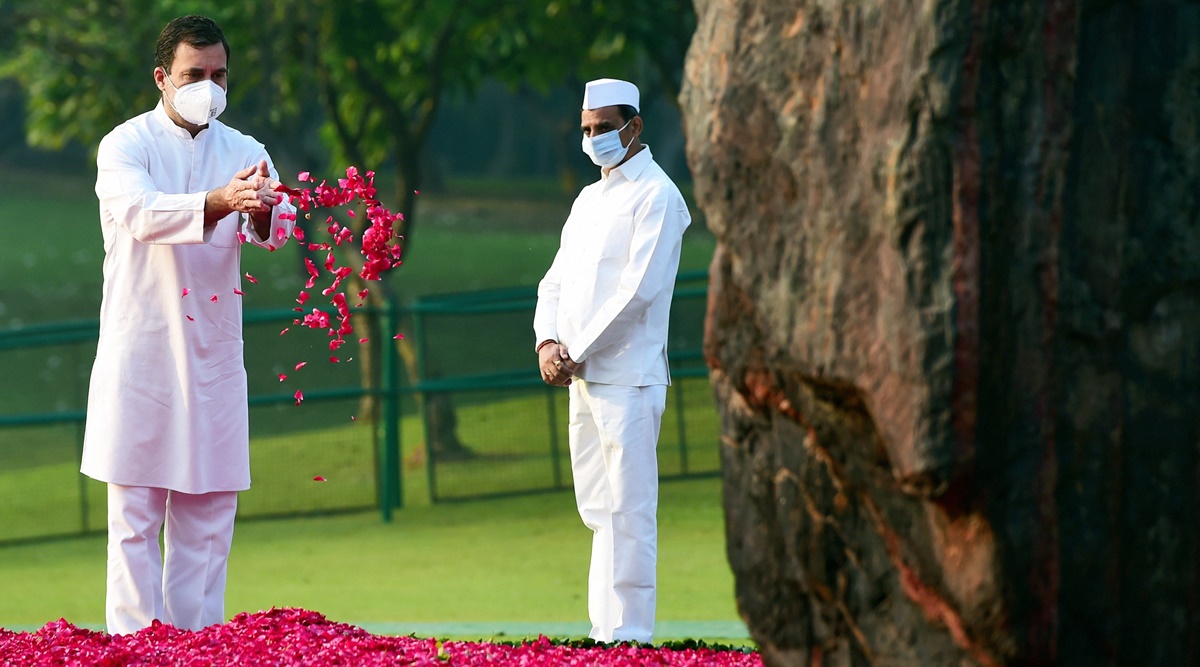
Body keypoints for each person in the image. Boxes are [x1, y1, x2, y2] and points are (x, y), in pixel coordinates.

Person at [80, 15, 295, 635]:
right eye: (194, 75)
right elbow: (143, 215)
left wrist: (258, 209)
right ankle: (135, 646)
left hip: (212, 355)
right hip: (141, 351)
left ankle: (199, 647)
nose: (209, 86)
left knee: (207, 520)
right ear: (162, 78)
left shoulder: (246, 151)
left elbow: (276, 234)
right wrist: (223, 202)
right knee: (135, 521)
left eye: (219, 74)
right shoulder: (126, 145)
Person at [533, 78, 692, 644]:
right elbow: (554, 281)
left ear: (635, 126)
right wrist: (547, 342)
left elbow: (639, 290)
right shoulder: (587, 199)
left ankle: (631, 636)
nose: (595, 138)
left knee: (630, 511)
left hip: (629, 377)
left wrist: (576, 350)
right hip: (583, 379)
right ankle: (605, 633)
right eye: (587, 129)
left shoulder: (659, 195)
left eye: (604, 127)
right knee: (598, 510)